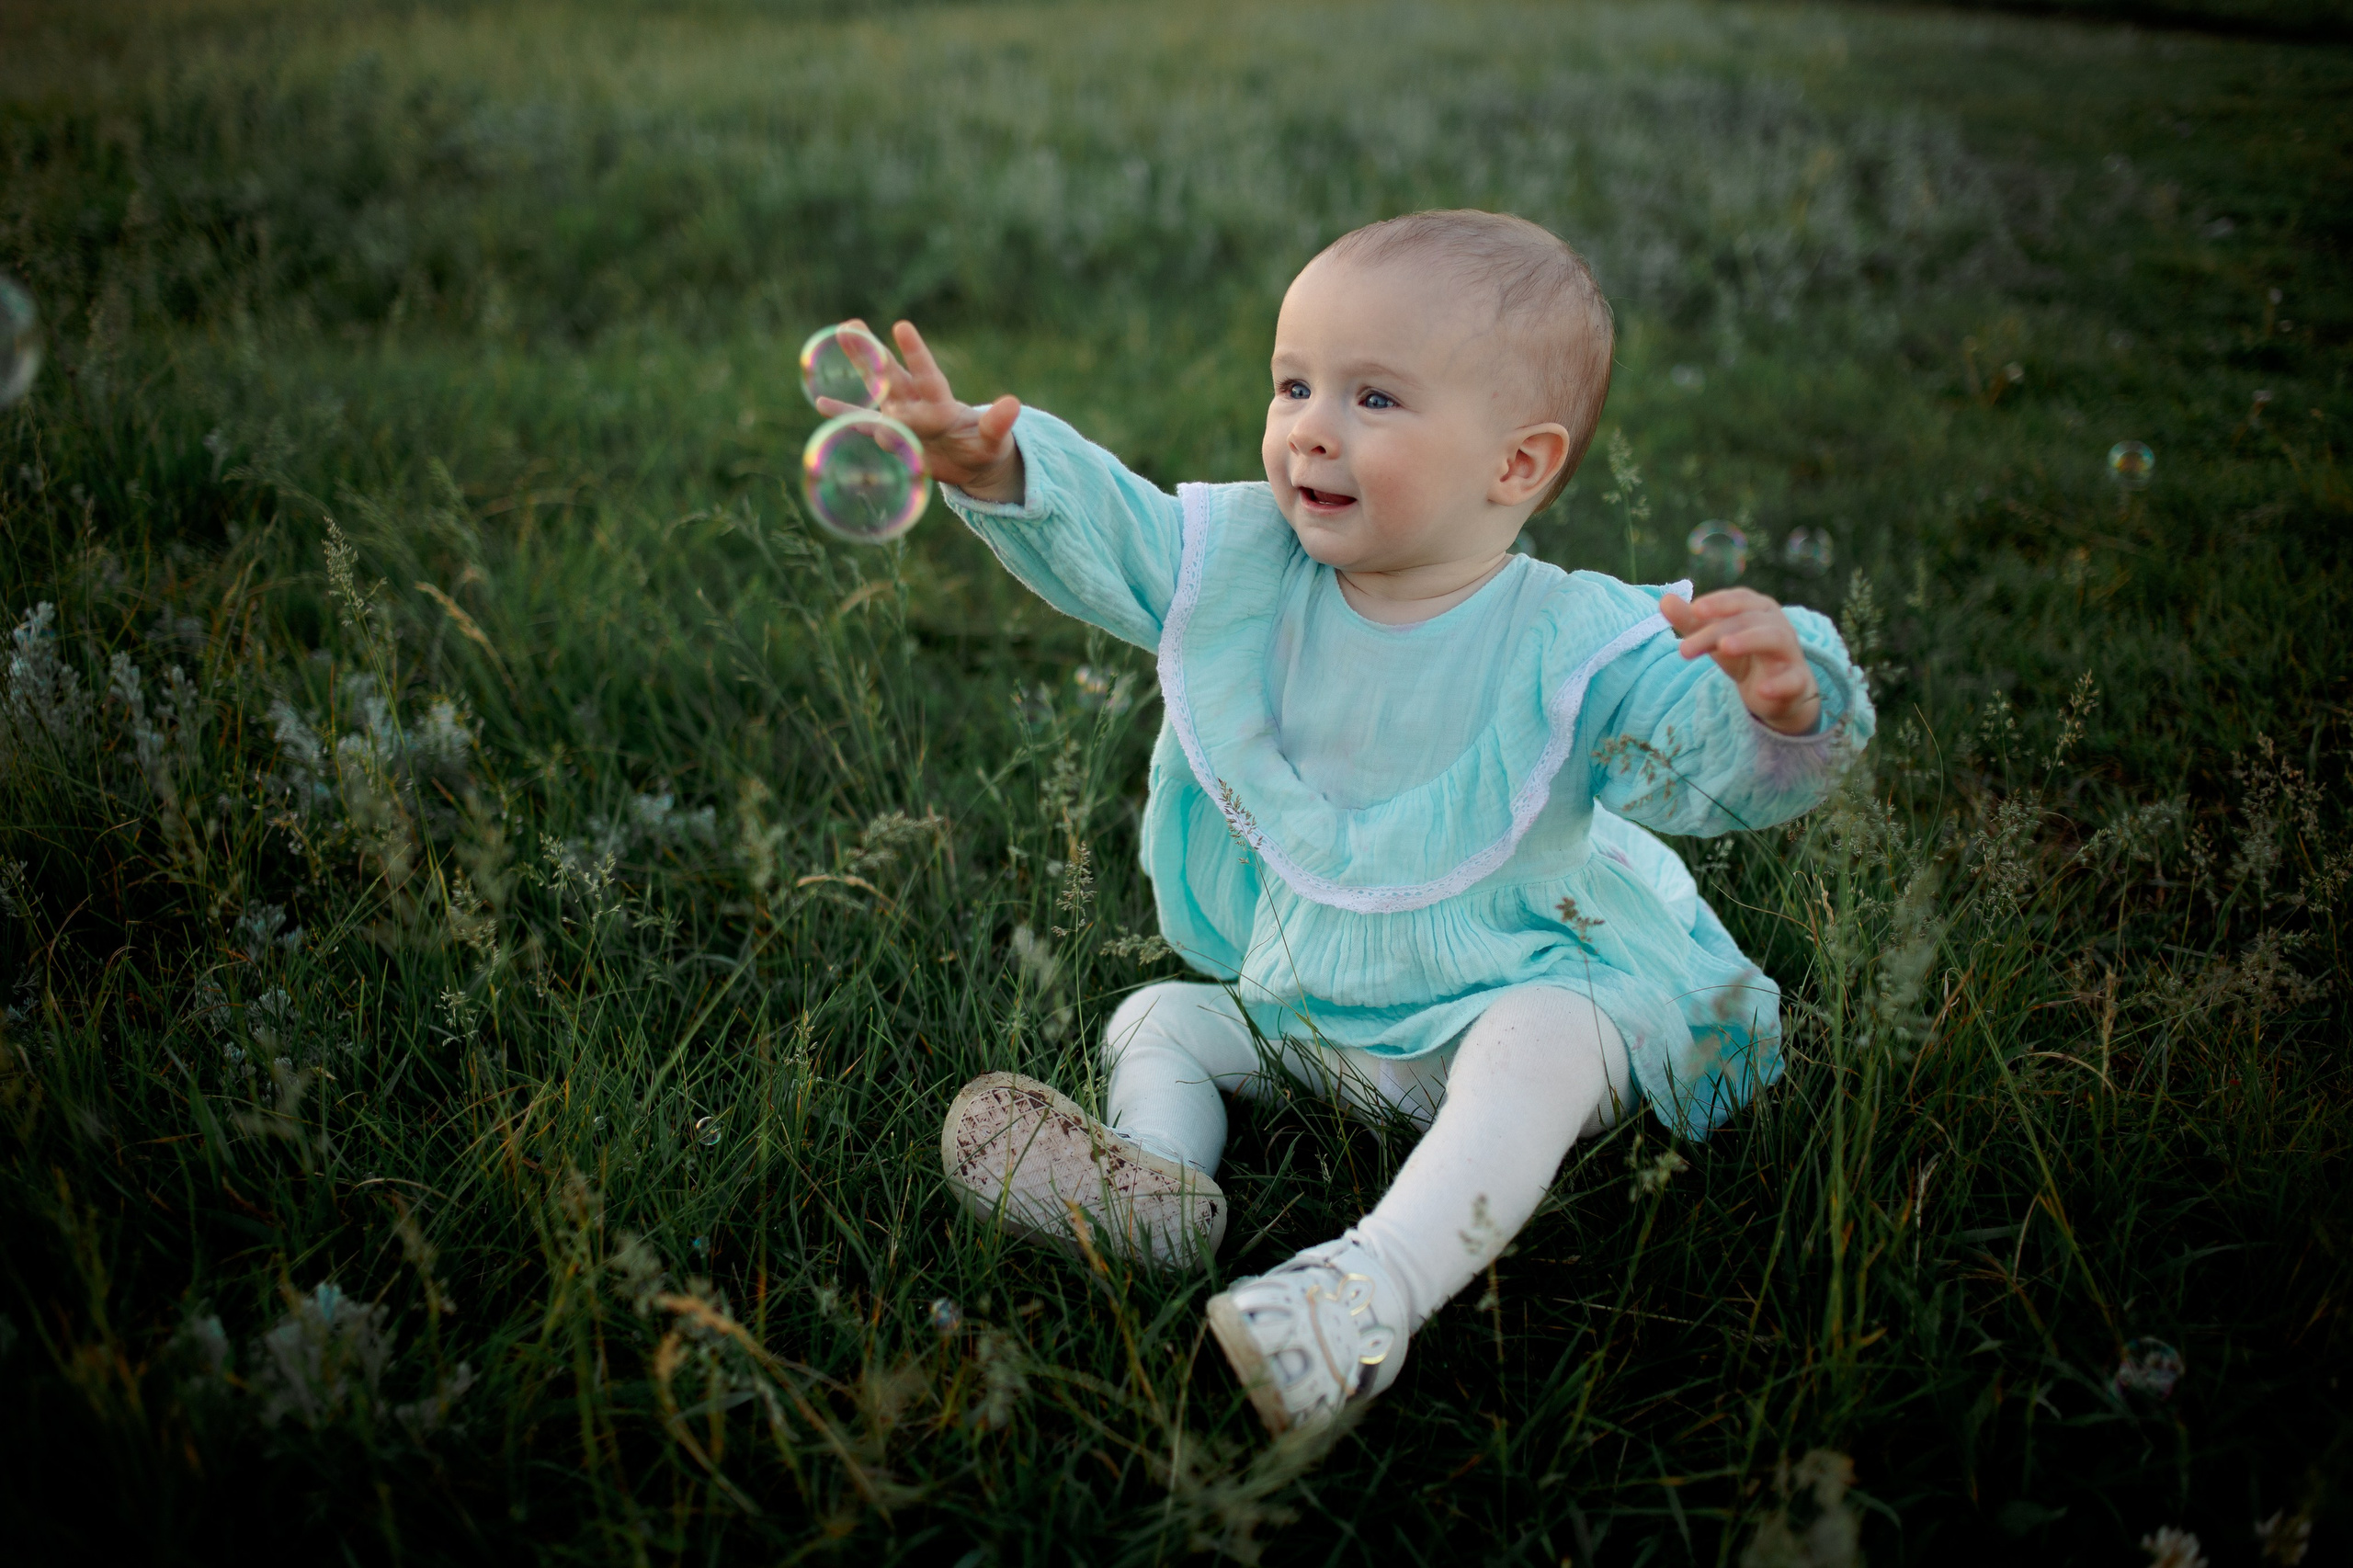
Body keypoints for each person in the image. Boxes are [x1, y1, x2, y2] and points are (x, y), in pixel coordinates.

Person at [844, 210, 1873, 1435]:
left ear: (1517, 465)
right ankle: (1162, 1185)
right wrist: (992, 463)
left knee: (1547, 1039)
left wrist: (1776, 699)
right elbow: (1120, 532)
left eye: (1374, 398)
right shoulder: (1254, 570)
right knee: (1157, 1015)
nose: (1309, 428)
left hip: (1512, 986)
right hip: (1327, 1018)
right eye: (1292, 384)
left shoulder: (1576, 639)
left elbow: (1693, 755)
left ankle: (1365, 1290)